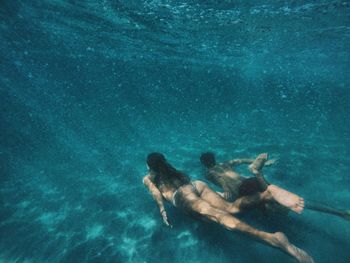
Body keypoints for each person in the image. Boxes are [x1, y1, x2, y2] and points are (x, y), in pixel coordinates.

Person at [143, 152, 314, 263]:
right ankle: (267, 194)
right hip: (197, 185)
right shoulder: (174, 170)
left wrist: (162, 210)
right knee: (231, 208)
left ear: (149, 166)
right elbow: (188, 183)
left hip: (181, 197)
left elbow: (156, 193)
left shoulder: (149, 178)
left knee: (217, 216)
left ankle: (272, 238)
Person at [200, 152, 350, 219]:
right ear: (214, 159)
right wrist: (259, 160)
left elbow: (219, 179)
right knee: (294, 200)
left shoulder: (208, 173)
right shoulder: (226, 164)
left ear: (205, 164)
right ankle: (340, 212)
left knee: (275, 207)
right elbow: (239, 160)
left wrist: (226, 190)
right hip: (251, 181)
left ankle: (257, 173)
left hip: (244, 189)